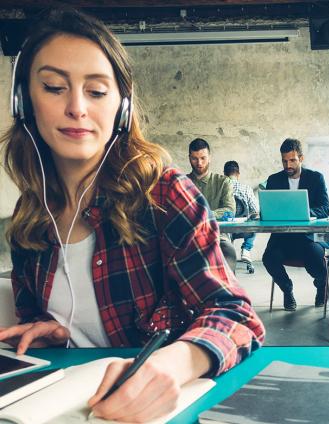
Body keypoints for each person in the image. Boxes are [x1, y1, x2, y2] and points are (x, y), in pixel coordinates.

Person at [0, 9, 264, 423]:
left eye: (97, 91)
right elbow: (39, 314)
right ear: (24, 103)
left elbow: (237, 316)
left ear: (121, 108)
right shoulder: (30, 216)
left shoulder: (165, 193)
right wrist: (55, 328)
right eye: (53, 87)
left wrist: (173, 364)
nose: (76, 107)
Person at [262, 138, 329, 311]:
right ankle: (287, 290)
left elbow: (325, 208)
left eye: (292, 160)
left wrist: (306, 212)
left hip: (308, 238)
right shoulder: (274, 180)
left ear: (301, 158)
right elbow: (269, 209)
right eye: (284, 161)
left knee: (316, 257)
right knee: (268, 258)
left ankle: (321, 285)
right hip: (282, 239)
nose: (288, 165)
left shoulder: (316, 178)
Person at [186, 138, 238, 272]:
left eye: (203, 158)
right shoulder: (182, 182)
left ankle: (226, 293)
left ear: (210, 157)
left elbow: (230, 210)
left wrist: (203, 214)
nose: (199, 163)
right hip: (188, 238)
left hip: (219, 236)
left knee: (229, 256)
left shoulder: (223, 182)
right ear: (189, 158)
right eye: (194, 158)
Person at [223, 160, 259, 273]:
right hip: (244, 229)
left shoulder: (221, 189)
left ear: (224, 174)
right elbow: (256, 210)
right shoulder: (246, 189)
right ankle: (246, 249)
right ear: (238, 174)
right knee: (254, 226)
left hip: (227, 230)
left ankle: (229, 257)